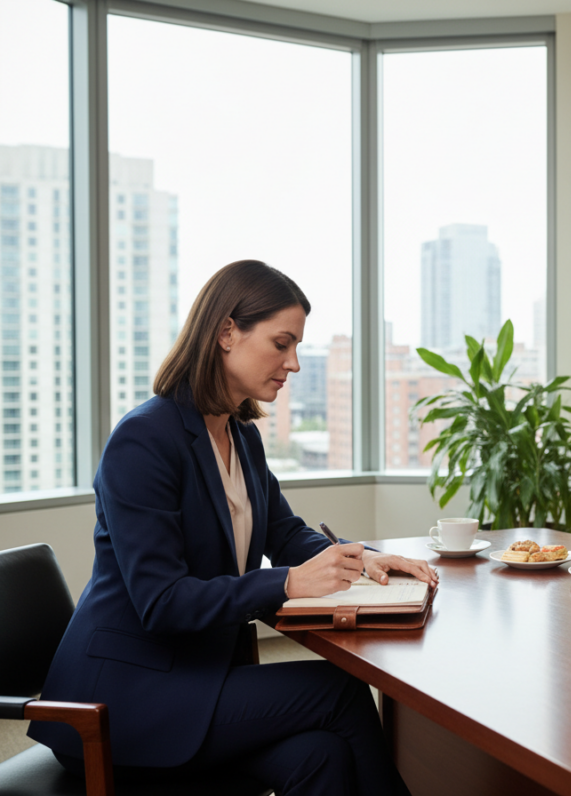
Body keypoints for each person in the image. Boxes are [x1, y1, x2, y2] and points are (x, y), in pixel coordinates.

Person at [29, 260, 437, 794]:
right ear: (226, 333)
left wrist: (362, 560)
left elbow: (287, 535)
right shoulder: (144, 440)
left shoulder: (240, 437)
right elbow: (163, 601)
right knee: (338, 691)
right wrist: (288, 583)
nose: (293, 363)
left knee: (322, 755)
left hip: (196, 679)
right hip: (121, 701)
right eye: (281, 343)